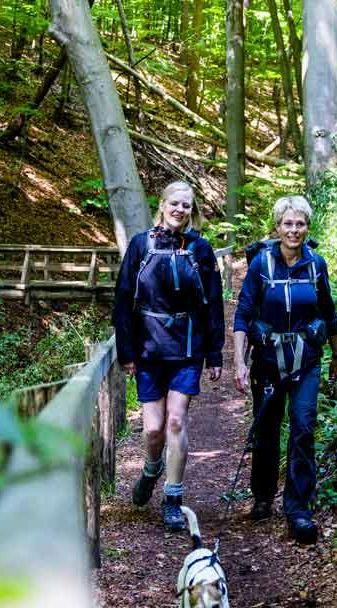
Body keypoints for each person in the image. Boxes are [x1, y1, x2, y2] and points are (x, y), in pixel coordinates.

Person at [113, 180, 225, 531]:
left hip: (187, 347)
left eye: (186, 205)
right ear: (161, 205)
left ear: (192, 211)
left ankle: (173, 498)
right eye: (174, 203)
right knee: (153, 430)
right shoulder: (140, 245)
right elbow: (123, 300)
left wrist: (215, 353)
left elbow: (214, 304)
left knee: (176, 421)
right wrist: (126, 351)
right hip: (149, 349)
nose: (180, 210)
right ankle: (151, 468)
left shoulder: (200, 249)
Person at [232, 196, 337, 544]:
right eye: (287, 224)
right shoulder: (261, 265)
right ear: (276, 227)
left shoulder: (316, 264)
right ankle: (263, 496)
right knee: (266, 428)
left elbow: (328, 310)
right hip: (267, 361)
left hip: (307, 360)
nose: (294, 230)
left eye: (300, 224)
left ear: (307, 227)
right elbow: (243, 315)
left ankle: (298, 510)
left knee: (303, 426)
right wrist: (238, 360)